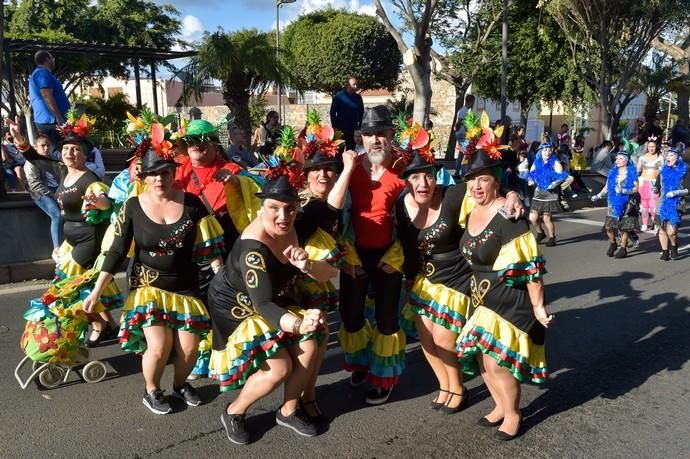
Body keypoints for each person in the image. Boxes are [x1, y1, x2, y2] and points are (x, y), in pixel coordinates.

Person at [83, 144, 225, 415]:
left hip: (185, 288)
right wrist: (97, 291)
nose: (159, 179)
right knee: (160, 346)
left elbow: (212, 249)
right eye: (153, 174)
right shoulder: (133, 206)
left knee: (190, 347)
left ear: (174, 174)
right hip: (148, 287)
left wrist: (223, 277)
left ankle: (181, 385)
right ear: (143, 177)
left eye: (165, 172)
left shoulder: (192, 203)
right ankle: (151, 390)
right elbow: (116, 251)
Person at [207, 149, 336, 443]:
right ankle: (234, 411)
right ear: (262, 207)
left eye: (290, 208)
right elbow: (262, 304)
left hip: (273, 297)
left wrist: (308, 265)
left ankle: (289, 410)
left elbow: (331, 272)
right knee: (279, 367)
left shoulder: (298, 225)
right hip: (237, 305)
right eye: (274, 208)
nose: (283, 216)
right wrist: (297, 324)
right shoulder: (254, 249)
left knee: (315, 338)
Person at [456, 147, 553, 441]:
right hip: (481, 300)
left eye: (483, 179)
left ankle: (513, 413)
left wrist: (538, 307)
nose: (475, 186)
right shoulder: (471, 207)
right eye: (471, 179)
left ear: (496, 181)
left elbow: (530, 267)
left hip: (510, 302)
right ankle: (500, 406)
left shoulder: (510, 217)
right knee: (483, 361)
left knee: (499, 363)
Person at [337, 105, 406, 405]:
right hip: (355, 254)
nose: (375, 139)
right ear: (360, 137)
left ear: (391, 135)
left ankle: (383, 377)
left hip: (391, 256)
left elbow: (422, 214)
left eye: (381, 133)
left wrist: (399, 256)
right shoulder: (351, 167)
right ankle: (364, 362)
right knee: (351, 316)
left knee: (386, 319)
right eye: (369, 134)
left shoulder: (406, 166)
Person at [50, 114, 122, 346]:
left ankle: (99, 326)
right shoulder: (65, 174)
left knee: (72, 287)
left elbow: (105, 201)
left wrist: (96, 201)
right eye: (66, 149)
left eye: (76, 150)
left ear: (85, 154)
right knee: (84, 285)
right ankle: (110, 325)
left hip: (88, 240)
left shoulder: (90, 178)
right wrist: (22, 142)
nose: (70, 153)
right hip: (71, 239)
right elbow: (37, 159)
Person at [7, 120, 63, 261]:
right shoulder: (31, 162)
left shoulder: (53, 160)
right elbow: (35, 185)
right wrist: (54, 195)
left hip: (55, 190)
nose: (46, 148)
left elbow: (62, 178)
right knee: (57, 215)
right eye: (42, 146)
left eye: (48, 146)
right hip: (40, 193)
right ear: (36, 147)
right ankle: (57, 249)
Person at [591, 151, 640, 258]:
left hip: (626, 203)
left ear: (626, 161)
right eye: (616, 159)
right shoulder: (613, 172)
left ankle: (623, 249)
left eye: (620, 159)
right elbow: (608, 186)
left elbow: (636, 188)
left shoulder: (631, 172)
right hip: (612, 202)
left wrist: (623, 191)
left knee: (624, 227)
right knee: (609, 227)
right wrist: (598, 195)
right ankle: (613, 244)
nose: (617, 161)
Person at [527, 142, 568, 246]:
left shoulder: (555, 162)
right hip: (538, 193)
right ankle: (541, 233)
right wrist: (530, 180)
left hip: (550, 193)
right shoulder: (537, 162)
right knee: (532, 218)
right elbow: (531, 173)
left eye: (549, 150)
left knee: (546, 218)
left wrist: (553, 184)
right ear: (540, 151)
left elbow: (562, 176)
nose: (547, 152)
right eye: (545, 150)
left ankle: (552, 238)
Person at [28, 51, 70, 148]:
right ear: (48, 59)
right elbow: (47, 95)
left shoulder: (43, 74)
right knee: (57, 151)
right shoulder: (41, 73)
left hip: (52, 121)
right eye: (52, 58)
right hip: (51, 122)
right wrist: (58, 117)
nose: (54, 60)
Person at [655, 147, 688, 260]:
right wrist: (655, 189)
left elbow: (688, 189)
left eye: (670, 156)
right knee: (662, 228)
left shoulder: (684, 171)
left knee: (671, 231)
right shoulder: (663, 171)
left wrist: (675, 192)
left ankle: (674, 245)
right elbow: (657, 186)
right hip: (662, 202)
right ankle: (665, 252)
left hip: (676, 202)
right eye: (667, 156)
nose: (668, 158)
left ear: (677, 158)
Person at [330, 77, 364, 150]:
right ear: (348, 85)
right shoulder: (339, 96)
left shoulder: (358, 97)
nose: (356, 86)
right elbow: (332, 112)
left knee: (352, 149)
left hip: (354, 129)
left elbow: (362, 112)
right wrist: (334, 126)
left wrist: (361, 127)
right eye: (354, 84)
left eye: (356, 84)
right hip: (341, 129)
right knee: (339, 149)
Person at [636, 136, 663, 231]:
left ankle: (656, 223)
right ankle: (644, 224)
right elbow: (637, 171)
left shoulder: (660, 158)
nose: (651, 148)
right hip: (643, 182)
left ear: (656, 147)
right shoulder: (642, 157)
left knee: (653, 205)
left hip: (655, 183)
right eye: (649, 146)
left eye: (653, 146)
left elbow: (663, 172)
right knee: (643, 205)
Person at [454, 94, 476, 175]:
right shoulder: (464, 111)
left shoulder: (464, 110)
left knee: (461, 154)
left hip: (462, 134)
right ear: (470, 102)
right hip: (463, 135)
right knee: (465, 153)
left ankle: (457, 172)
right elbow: (459, 122)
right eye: (473, 102)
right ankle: (463, 172)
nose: (473, 104)